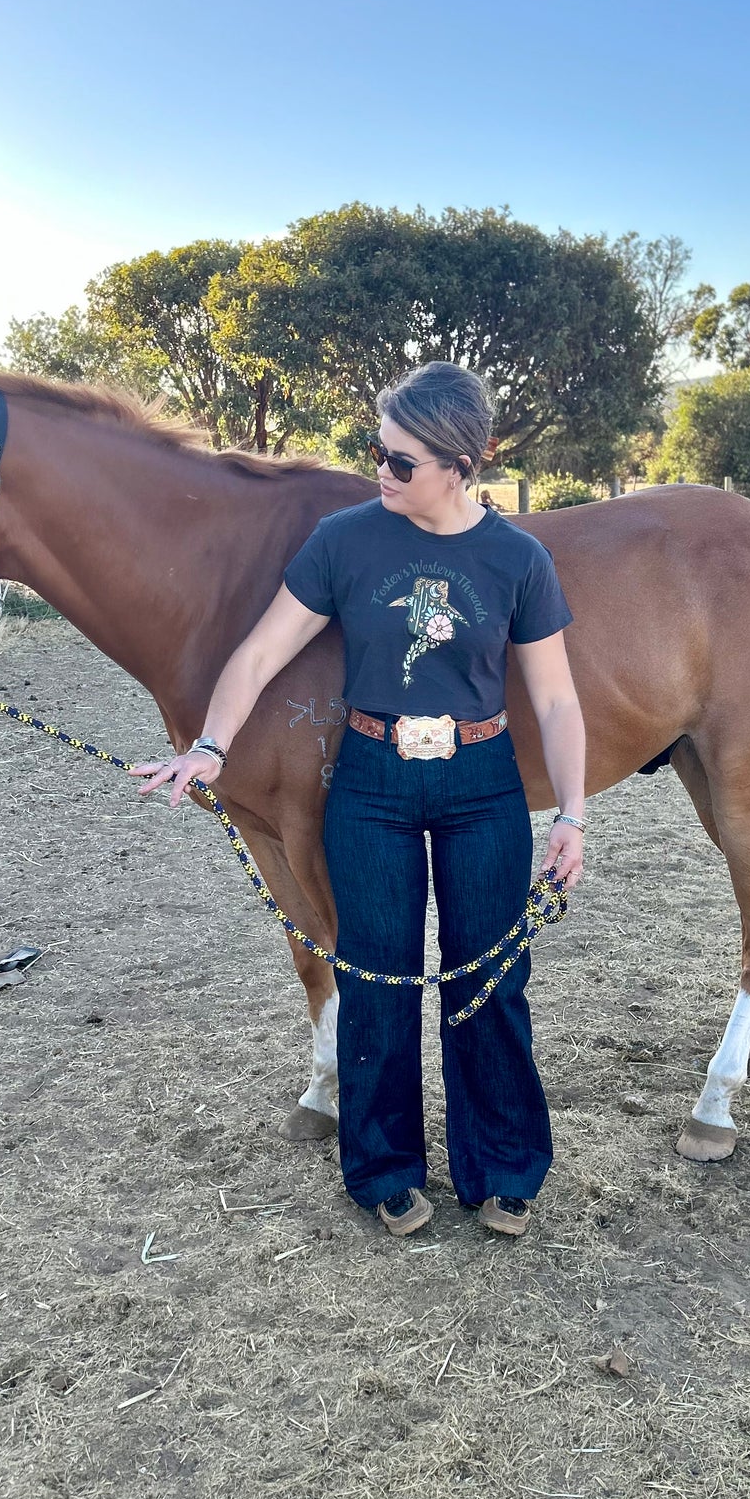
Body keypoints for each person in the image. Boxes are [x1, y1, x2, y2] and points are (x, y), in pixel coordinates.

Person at [131, 363, 586, 1240]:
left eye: (402, 460)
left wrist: (569, 813)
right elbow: (261, 654)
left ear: (462, 463)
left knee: (490, 977)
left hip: (481, 782)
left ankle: (503, 1167)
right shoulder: (345, 541)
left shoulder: (517, 558)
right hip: (371, 781)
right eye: (377, 450)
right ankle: (382, 1167)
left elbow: (559, 700)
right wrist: (210, 745)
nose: (380, 468)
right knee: (373, 974)